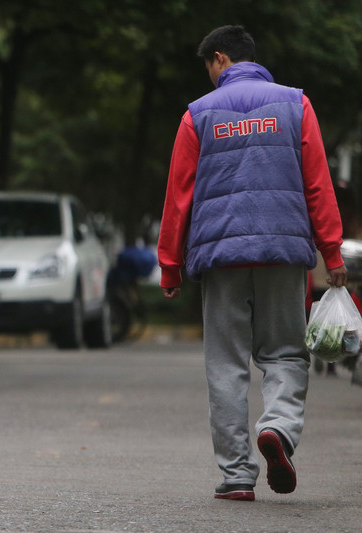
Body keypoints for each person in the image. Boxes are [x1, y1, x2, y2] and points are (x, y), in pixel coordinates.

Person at [157, 25, 347, 502]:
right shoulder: (295, 103)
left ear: (220, 59)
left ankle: (237, 475)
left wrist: (170, 265)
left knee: (225, 364)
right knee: (284, 352)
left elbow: (179, 196)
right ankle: (278, 430)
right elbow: (318, 183)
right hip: (283, 252)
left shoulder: (197, 115)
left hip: (220, 256)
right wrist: (332, 252)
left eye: (208, 68)